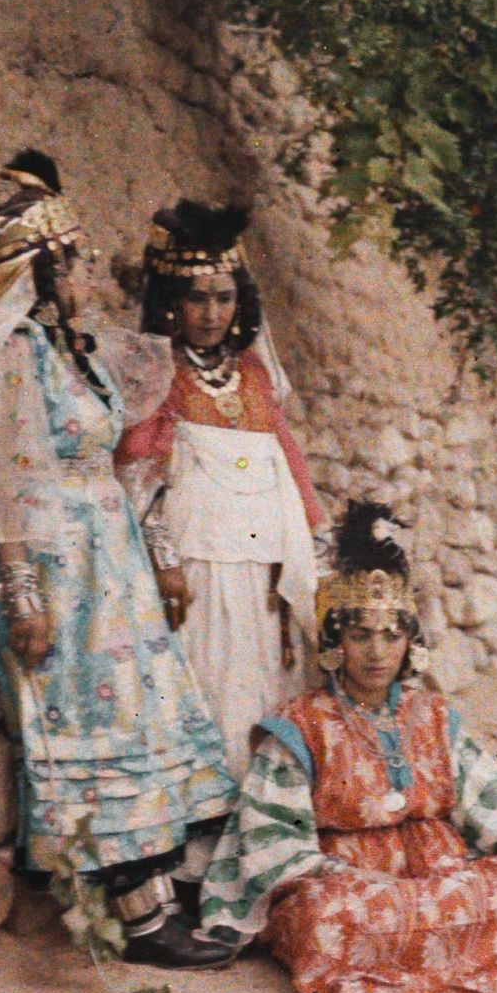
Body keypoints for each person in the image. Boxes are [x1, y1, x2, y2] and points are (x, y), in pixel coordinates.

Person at [194, 502, 497, 993]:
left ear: (410, 643)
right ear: (336, 644)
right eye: (360, 636)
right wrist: (350, 877)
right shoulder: (301, 725)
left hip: (444, 875)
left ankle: (443, 971)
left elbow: (493, 803)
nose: (376, 652)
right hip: (350, 887)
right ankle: (467, 969)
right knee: (326, 921)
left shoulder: (433, 716)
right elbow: (273, 842)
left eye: (391, 636)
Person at [0, 150, 237, 968]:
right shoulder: (14, 355)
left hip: (110, 565)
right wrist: (20, 593)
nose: (85, 273)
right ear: (40, 271)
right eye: (73, 260)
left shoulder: (68, 350)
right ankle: (137, 921)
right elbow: (1, 480)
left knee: (136, 720)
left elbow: (123, 466)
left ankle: (159, 898)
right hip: (57, 571)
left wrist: (157, 550)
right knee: (89, 728)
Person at [111, 201, 323, 786]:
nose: (211, 314)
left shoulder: (253, 375)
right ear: (171, 302)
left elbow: (288, 466)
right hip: (195, 569)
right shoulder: (157, 372)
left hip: (263, 571)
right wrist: (164, 560)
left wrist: (316, 544)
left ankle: (264, 813)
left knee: (266, 687)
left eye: (224, 298)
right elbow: (138, 474)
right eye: (197, 299)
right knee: (206, 684)